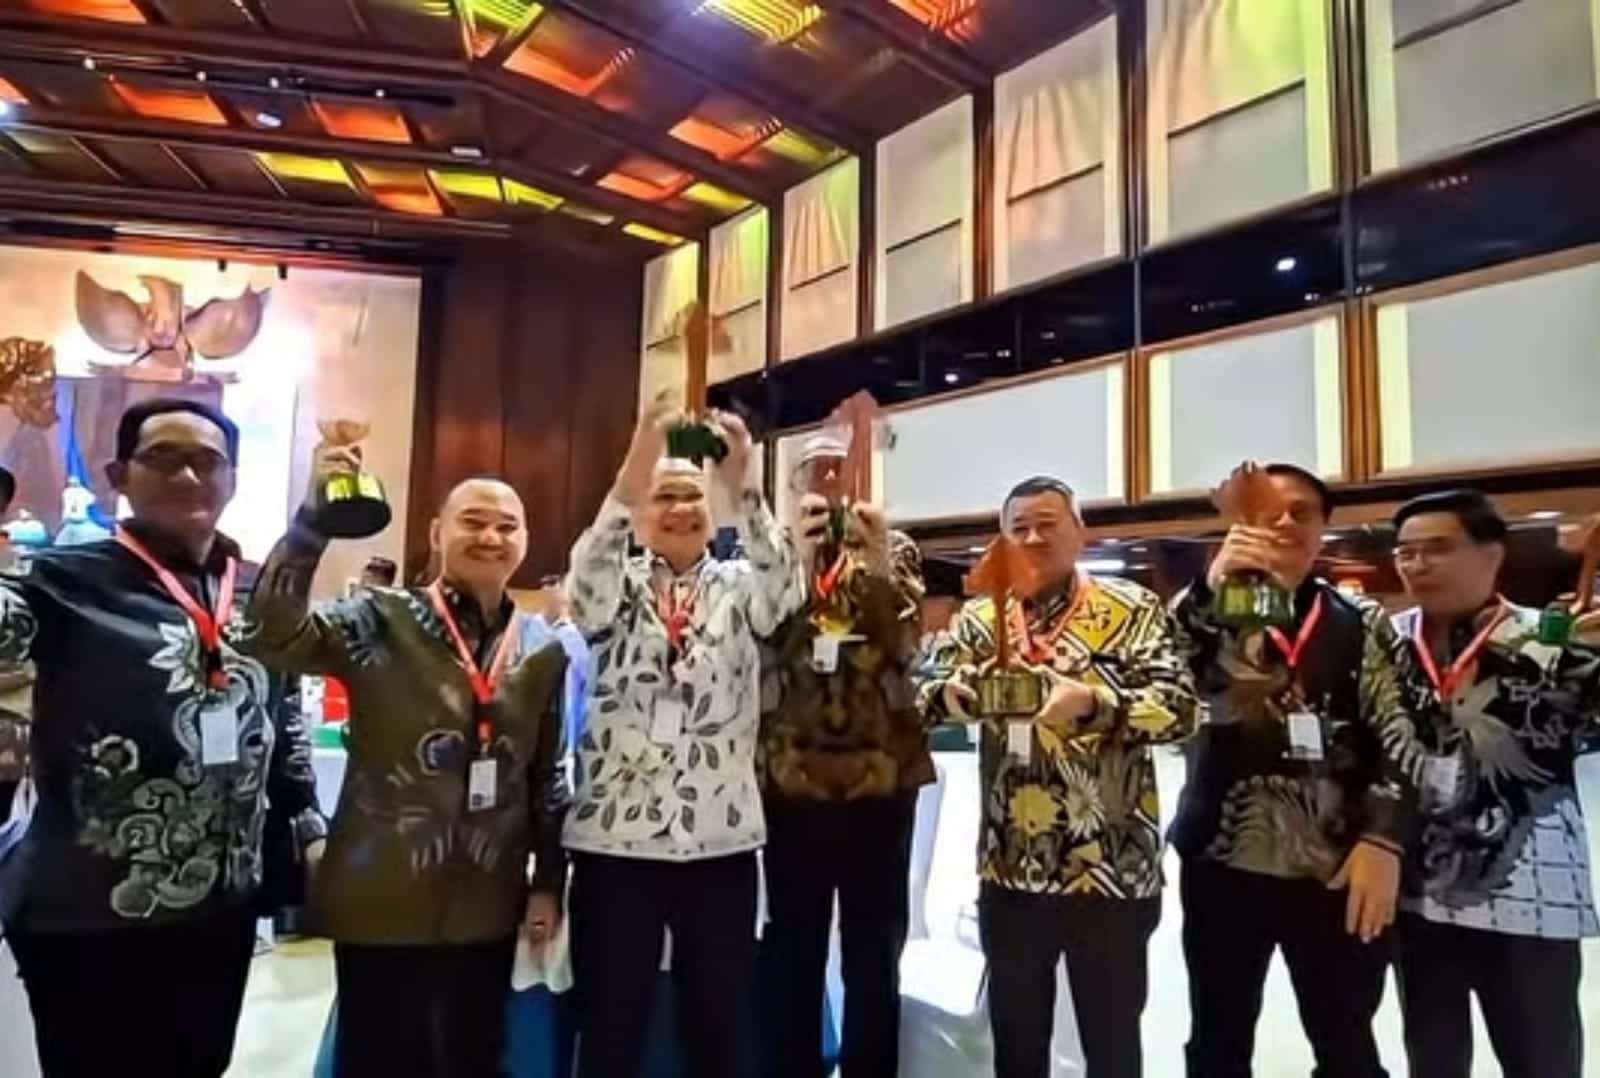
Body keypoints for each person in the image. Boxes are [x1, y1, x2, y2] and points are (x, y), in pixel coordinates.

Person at [0, 399, 325, 1078]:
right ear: (119, 475)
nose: (187, 476)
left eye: (207, 461)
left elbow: (285, 711)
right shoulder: (63, 579)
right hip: (88, 911)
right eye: (163, 458)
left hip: (220, 909)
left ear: (232, 479)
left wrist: (306, 819)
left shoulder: (256, 589)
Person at [240, 459, 572, 1078]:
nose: (491, 536)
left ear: (525, 540)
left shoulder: (541, 647)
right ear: (437, 532)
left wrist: (548, 880)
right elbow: (269, 636)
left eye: (507, 526)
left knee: (474, 1060)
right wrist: (311, 528)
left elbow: (545, 774)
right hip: (382, 899)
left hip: (489, 900)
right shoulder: (379, 618)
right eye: (473, 521)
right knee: (381, 1060)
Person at [917, 476, 1198, 1078]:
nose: (1032, 538)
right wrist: (954, 697)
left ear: (1080, 532)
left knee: (1111, 1041)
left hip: (1112, 867)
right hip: (1010, 866)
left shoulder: (1130, 609)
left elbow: (1179, 709)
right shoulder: (980, 617)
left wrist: (1095, 704)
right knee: (1017, 1041)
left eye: (1047, 524)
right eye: (1018, 528)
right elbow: (920, 698)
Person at [562, 395, 804, 1078]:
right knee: (611, 1023)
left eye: (692, 496)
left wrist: (743, 484)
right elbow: (585, 586)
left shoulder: (739, 587)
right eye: (663, 496)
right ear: (639, 512)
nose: (678, 508)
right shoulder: (614, 588)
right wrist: (638, 460)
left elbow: (784, 591)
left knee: (721, 1025)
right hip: (616, 844)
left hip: (720, 841)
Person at [1169, 462, 1423, 1078]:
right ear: (1239, 521)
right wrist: (1212, 592)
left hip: (1338, 864)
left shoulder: (1359, 620)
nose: (1284, 522)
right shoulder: (1199, 608)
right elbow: (1168, 693)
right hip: (1223, 857)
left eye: (1301, 512)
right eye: (1268, 510)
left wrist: (1384, 838)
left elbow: (1400, 732)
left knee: (1346, 1039)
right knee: (1217, 1037)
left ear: (1322, 530)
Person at [1387, 490, 1599, 1078]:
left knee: (1542, 1059)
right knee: (1433, 1058)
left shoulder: (1554, 639)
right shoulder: (1384, 641)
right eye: (1405, 552)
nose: (1417, 564)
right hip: (1415, 893)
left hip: (1529, 895)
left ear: (1492, 554)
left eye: (1437, 548)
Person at [758, 431, 932, 1078]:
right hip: (792, 779)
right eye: (817, 471)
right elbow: (763, 642)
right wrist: (799, 563)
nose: (830, 481)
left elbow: (907, 646)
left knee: (875, 943)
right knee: (793, 943)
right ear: (794, 485)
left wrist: (879, 560)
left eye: (841, 469)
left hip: (879, 777)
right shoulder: (770, 553)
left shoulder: (894, 549)